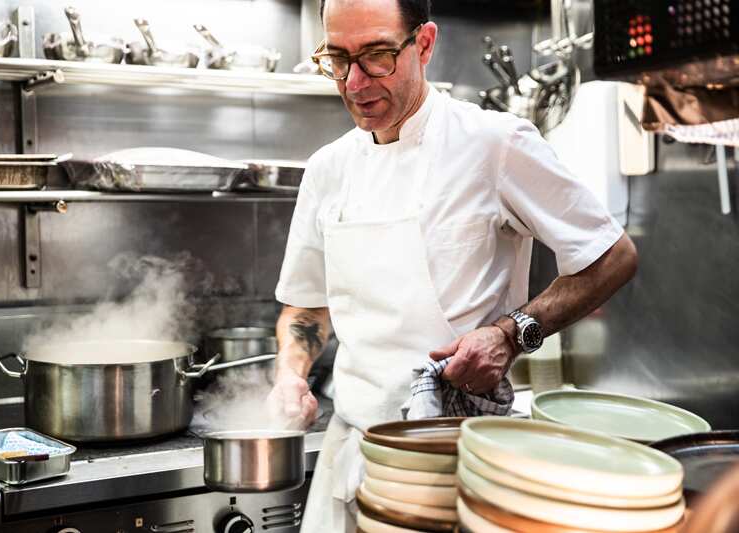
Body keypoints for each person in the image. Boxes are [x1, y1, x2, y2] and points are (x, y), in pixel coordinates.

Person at [266, 0, 638, 531]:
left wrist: (512, 335)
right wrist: (289, 375)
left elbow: (612, 256)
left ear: (423, 44)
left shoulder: (494, 143)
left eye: (376, 56)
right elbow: (307, 305)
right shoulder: (328, 168)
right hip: (350, 454)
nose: (354, 82)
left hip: (457, 458)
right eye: (338, 59)